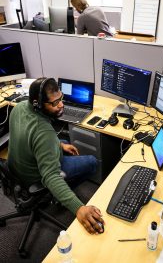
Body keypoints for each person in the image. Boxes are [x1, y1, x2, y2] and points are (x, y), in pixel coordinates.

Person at [7, 77, 104, 234]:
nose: (61, 105)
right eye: (54, 103)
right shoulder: (44, 132)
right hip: (35, 177)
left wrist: (58, 144)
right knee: (92, 162)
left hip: (18, 168)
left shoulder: (19, 107)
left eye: (61, 98)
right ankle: (54, 196)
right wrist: (79, 208)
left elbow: (30, 137)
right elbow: (50, 176)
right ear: (37, 104)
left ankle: (60, 151)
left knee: (63, 140)